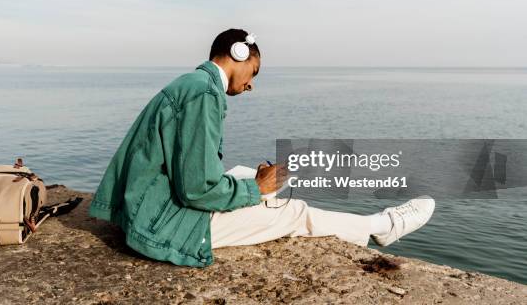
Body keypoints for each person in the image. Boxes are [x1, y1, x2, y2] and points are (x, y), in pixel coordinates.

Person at [89, 28, 435, 267]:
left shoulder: (191, 84)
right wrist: (256, 189)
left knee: (250, 178)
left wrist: (254, 185)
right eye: (253, 72)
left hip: (145, 208)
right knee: (294, 212)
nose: (251, 84)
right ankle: (381, 226)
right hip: (161, 224)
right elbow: (196, 189)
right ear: (238, 55)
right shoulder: (204, 94)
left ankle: (268, 195)